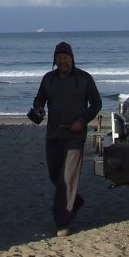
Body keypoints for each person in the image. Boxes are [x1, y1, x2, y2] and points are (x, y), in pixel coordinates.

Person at [31, 41, 102, 237]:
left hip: (75, 136)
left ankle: (62, 222)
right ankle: (75, 201)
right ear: (54, 60)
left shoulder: (84, 79)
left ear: (72, 58)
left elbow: (96, 103)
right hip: (53, 134)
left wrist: (83, 120)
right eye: (59, 57)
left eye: (65, 57)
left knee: (67, 179)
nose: (62, 61)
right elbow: (39, 99)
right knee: (55, 175)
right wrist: (38, 108)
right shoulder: (48, 79)